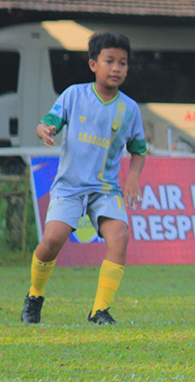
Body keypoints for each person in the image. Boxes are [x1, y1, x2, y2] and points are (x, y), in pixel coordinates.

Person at [20, 32, 147, 326]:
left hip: (105, 189)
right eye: (109, 61)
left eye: (123, 63)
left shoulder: (130, 109)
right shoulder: (73, 95)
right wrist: (44, 131)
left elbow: (138, 150)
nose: (116, 68)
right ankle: (34, 296)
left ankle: (99, 310)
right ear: (93, 64)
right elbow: (46, 123)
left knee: (120, 237)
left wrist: (133, 177)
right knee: (52, 241)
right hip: (70, 187)